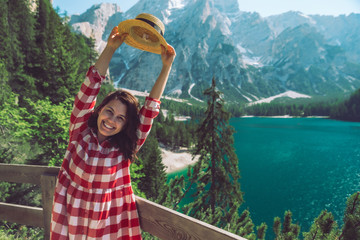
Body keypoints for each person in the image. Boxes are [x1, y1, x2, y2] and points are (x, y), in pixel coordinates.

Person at [50, 25, 176, 239]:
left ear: (126, 126)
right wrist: (110, 47)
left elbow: (149, 110)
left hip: (107, 225)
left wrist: (166, 68)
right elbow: (90, 87)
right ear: (99, 110)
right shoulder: (79, 131)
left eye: (120, 118)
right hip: (72, 217)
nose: (111, 120)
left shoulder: (125, 147)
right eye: (109, 111)